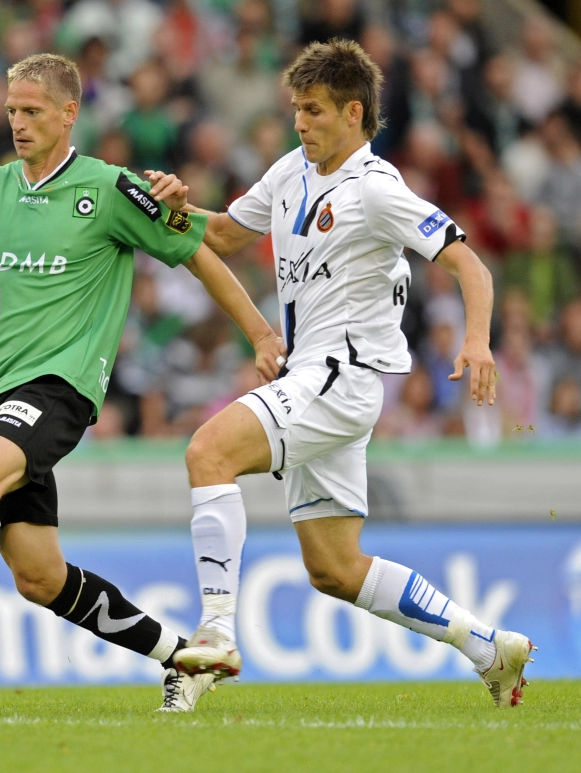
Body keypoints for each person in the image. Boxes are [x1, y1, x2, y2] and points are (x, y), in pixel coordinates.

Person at [0, 53, 284, 713]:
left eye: (32, 111)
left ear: (69, 113)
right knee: (39, 576)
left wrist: (260, 334)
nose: (19, 124)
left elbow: (200, 250)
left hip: (59, 389)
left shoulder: (114, 190)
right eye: (11, 112)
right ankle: (186, 659)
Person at [150, 39, 535, 707]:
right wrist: (168, 208)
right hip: (313, 380)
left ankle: (213, 637)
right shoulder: (290, 172)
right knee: (334, 568)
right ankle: (489, 647)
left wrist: (477, 341)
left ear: (354, 112)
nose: (301, 122)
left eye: (315, 110)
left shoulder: (376, 189)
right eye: (297, 108)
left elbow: (470, 264)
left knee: (208, 452)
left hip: (339, 379)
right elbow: (221, 236)